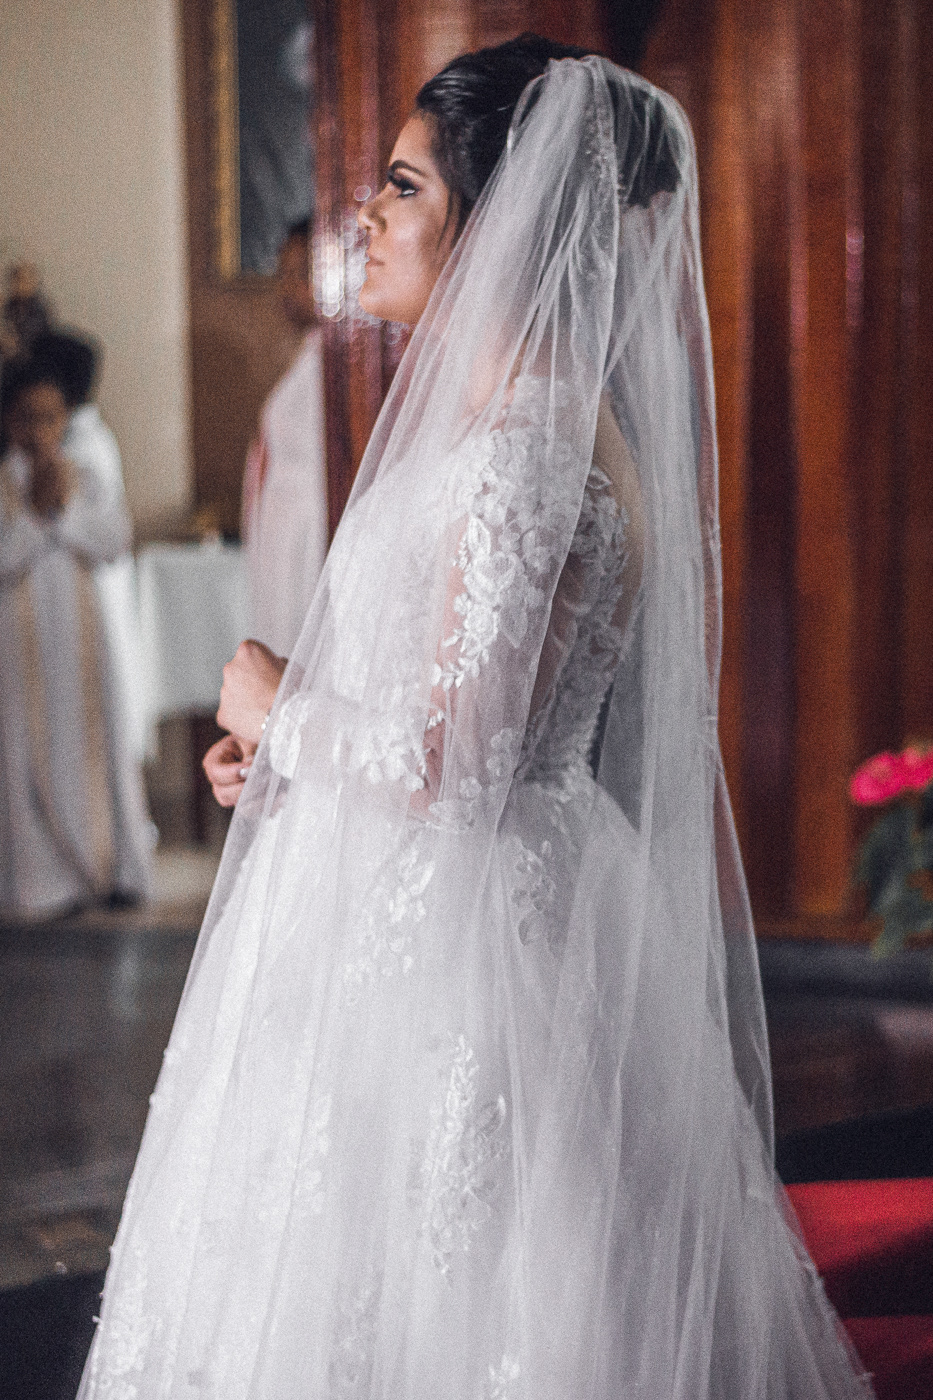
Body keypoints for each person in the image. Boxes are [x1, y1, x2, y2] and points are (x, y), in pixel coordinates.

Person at [81, 37, 872, 1399]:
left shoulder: (518, 453)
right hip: (475, 891)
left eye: (402, 186)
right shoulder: (528, 426)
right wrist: (295, 744)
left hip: (464, 941)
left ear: (503, 218)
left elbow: (456, 766)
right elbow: (460, 711)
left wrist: (282, 707)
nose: (366, 214)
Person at [0, 356, 152, 917]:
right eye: (28, 417)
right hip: (19, 646)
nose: (40, 429)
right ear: (10, 421)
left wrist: (61, 513)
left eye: (51, 416)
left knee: (99, 748)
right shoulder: (3, 483)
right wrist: (35, 517)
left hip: (85, 644)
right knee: (25, 754)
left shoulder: (85, 474)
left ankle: (110, 870)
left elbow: (114, 541)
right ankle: (44, 883)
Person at [241, 216, 327, 658]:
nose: (286, 288)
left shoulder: (338, 364)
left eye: (300, 273)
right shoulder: (308, 353)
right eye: (283, 273)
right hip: (283, 534)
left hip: (309, 542)